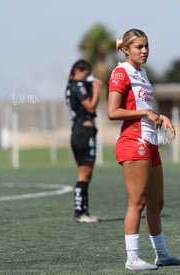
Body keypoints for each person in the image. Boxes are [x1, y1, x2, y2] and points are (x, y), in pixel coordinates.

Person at [107, 28, 180, 270]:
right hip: (133, 142)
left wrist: (160, 117)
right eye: (139, 47)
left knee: (156, 202)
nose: (144, 51)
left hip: (150, 143)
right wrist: (145, 113)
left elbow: (146, 110)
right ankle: (132, 258)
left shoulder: (143, 73)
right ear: (126, 49)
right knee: (137, 202)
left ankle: (161, 255)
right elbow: (113, 112)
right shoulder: (121, 72)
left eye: (146, 46)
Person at [65, 59, 102, 223]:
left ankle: (84, 211)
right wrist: (97, 89)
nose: (89, 78)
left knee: (86, 175)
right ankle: (79, 213)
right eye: (87, 74)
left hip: (79, 132)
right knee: (84, 175)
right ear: (79, 71)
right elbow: (91, 107)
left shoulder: (70, 86)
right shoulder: (78, 85)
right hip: (84, 132)